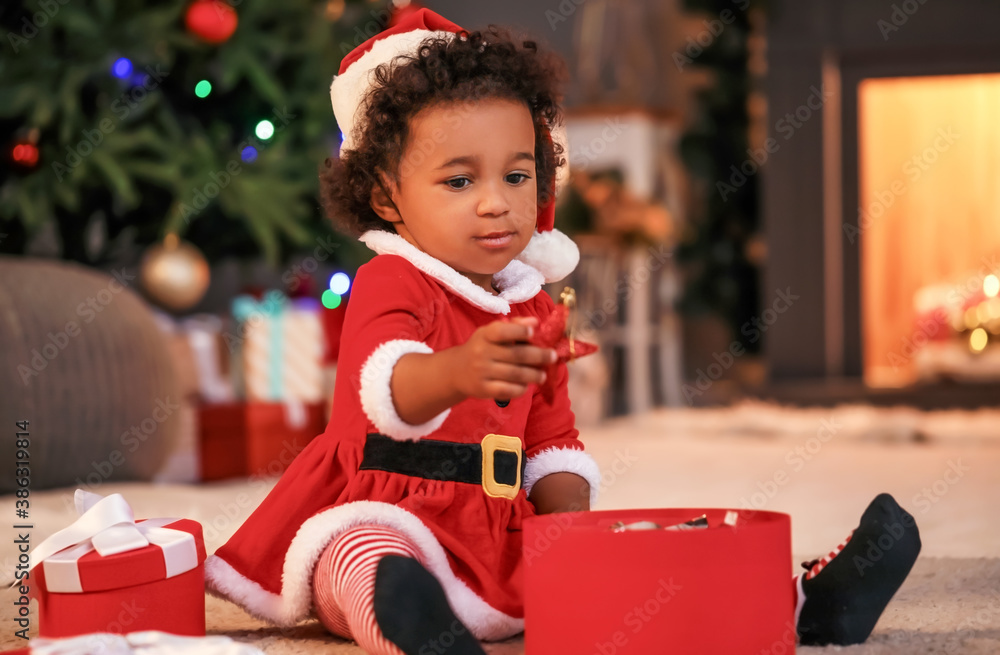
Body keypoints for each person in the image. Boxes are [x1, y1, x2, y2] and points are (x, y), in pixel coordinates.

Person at [204, 9, 920, 655]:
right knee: (357, 555)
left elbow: (551, 438)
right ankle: (413, 624)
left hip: (495, 530)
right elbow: (384, 388)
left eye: (517, 176)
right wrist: (457, 370)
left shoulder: (531, 305)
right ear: (385, 195)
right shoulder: (394, 281)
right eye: (459, 182)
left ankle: (804, 604)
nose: (497, 204)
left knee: (631, 567)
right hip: (391, 508)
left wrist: (570, 533)